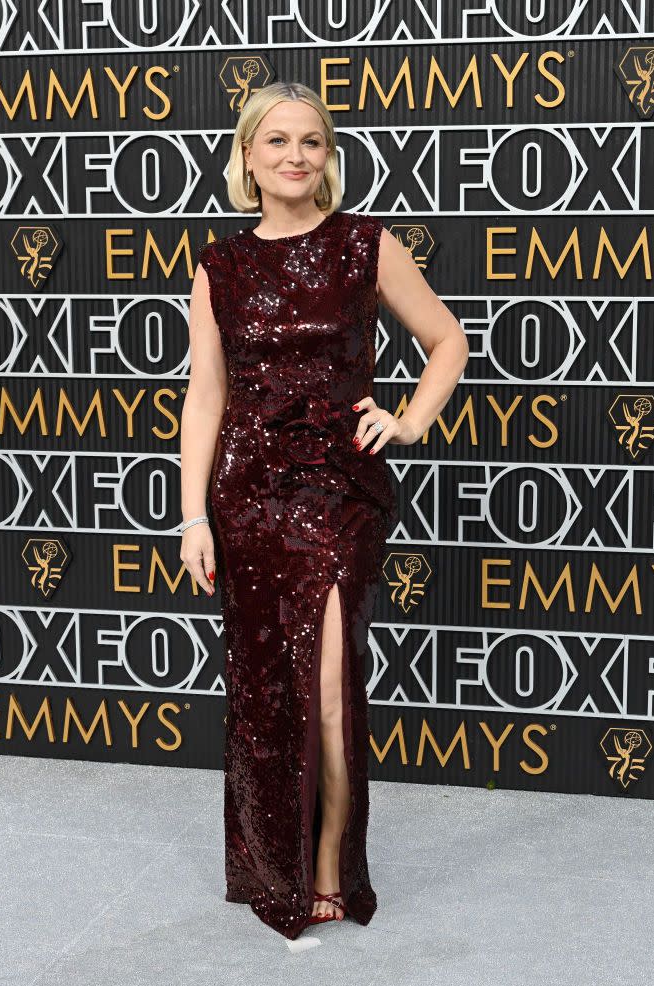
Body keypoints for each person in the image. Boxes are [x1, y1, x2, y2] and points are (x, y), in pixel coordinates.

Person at [181, 81, 468, 940]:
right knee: (268, 688)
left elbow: (445, 338)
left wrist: (410, 418)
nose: (295, 156)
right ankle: (269, 864)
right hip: (247, 496)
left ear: (328, 156)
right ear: (247, 158)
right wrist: (192, 516)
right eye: (276, 142)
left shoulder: (363, 247)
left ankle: (331, 867)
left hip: (338, 495)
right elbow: (205, 397)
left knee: (332, 691)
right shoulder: (220, 266)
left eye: (311, 141)